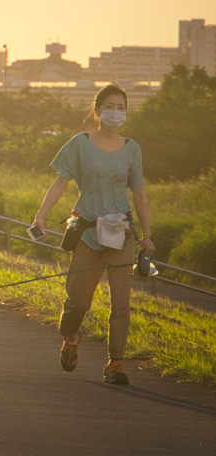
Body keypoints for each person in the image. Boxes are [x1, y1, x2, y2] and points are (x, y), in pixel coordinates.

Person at [32, 83, 154, 385]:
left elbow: (139, 194)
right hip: (87, 230)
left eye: (121, 107)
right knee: (76, 302)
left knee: (121, 303)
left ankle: (116, 363)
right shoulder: (80, 144)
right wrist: (41, 215)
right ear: (98, 111)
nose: (116, 112)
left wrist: (147, 235)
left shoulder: (132, 149)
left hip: (121, 232)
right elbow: (61, 182)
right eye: (110, 107)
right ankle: (72, 338)